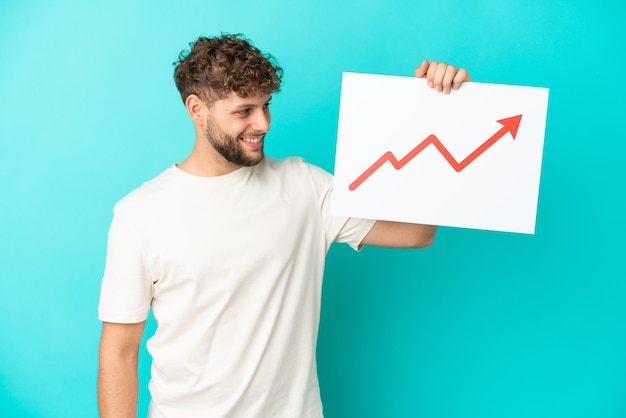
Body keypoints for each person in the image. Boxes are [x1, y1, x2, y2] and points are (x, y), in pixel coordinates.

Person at [97, 33, 471, 418]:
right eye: (244, 111)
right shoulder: (139, 214)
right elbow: (119, 352)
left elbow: (418, 233)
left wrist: (439, 113)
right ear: (197, 109)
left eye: (266, 106)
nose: (263, 123)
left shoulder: (305, 186)